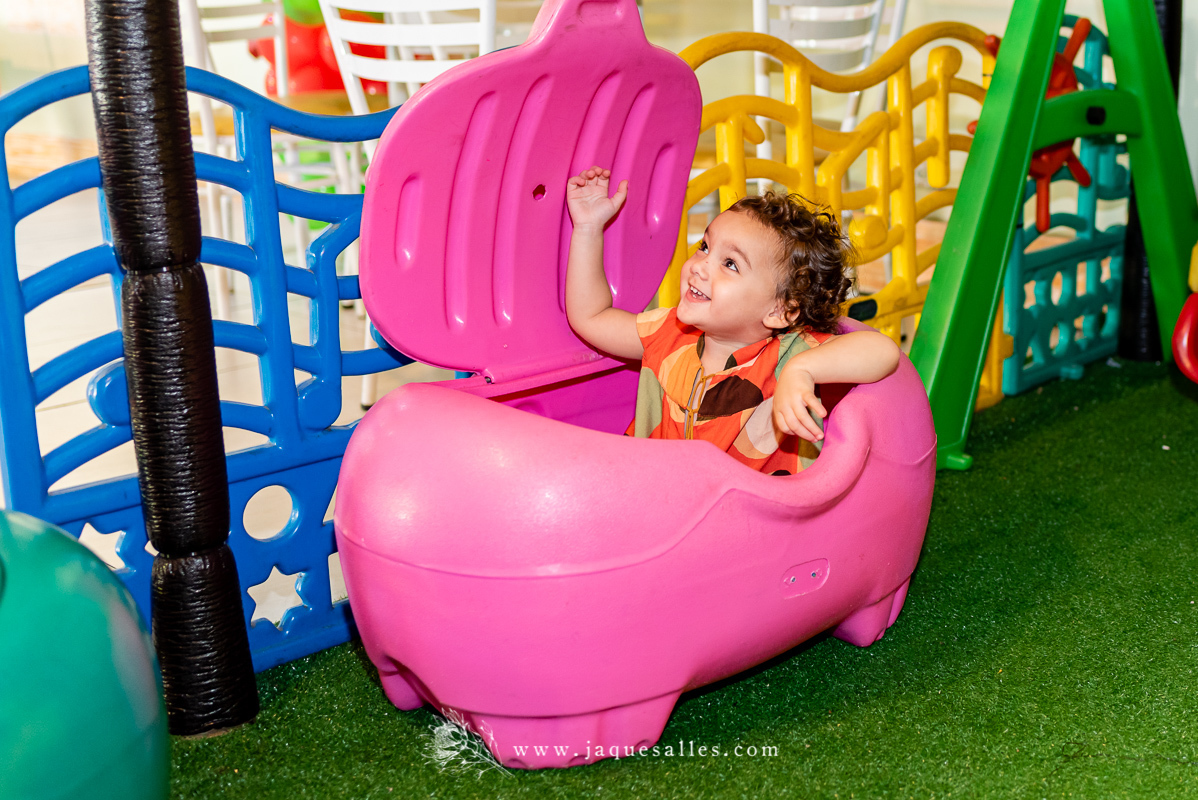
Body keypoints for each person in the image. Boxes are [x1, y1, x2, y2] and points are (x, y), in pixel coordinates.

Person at [564, 166, 901, 476]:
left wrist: (803, 371)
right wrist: (589, 229)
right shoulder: (669, 334)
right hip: (661, 503)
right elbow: (591, 317)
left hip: (750, 526)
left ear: (780, 311)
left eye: (731, 264)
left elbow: (882, 350)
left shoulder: (788, 356)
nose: (700, 265)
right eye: (705, 246)